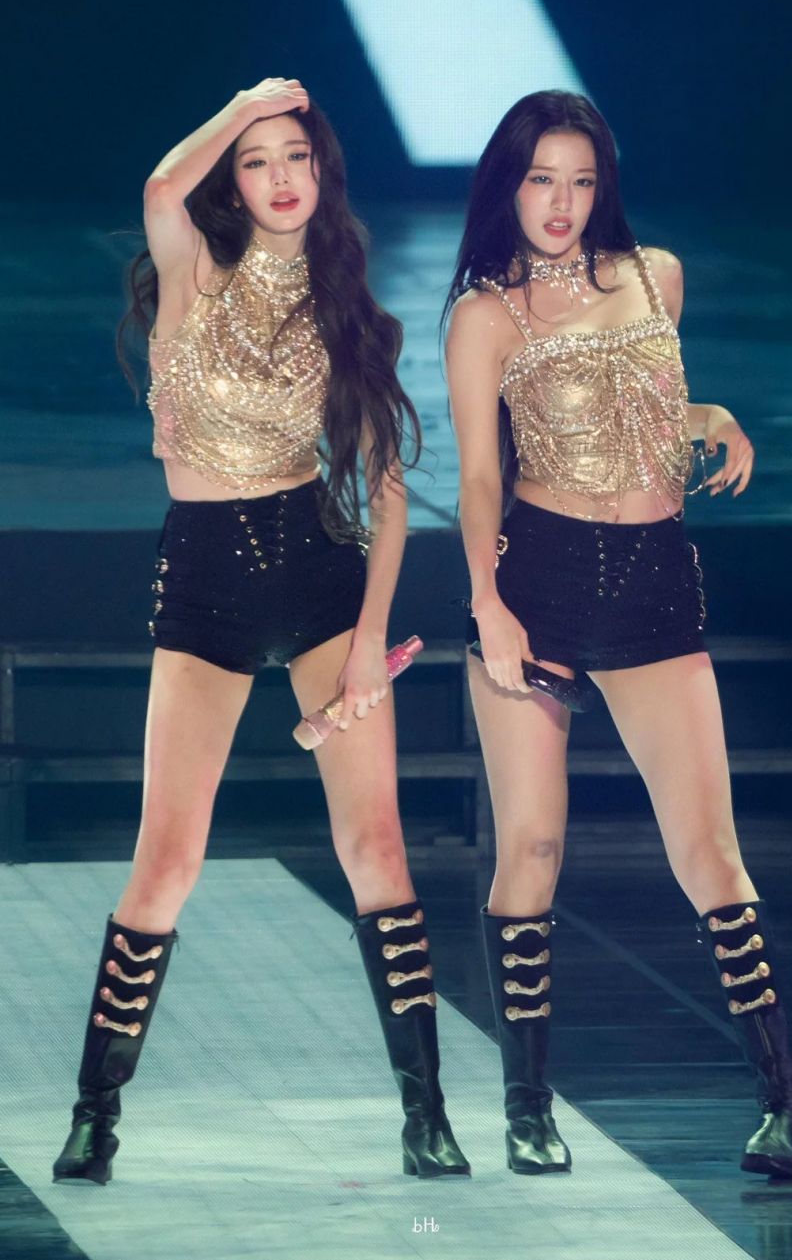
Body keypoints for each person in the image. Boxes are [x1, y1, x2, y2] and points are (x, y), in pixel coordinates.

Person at [53, 78, 469, 1185]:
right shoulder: (195, 275)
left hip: (321, 573)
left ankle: (427, 1115)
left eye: (297, 156)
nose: (282, 177)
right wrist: (240, 105)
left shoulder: (341, 306)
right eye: (257, 160)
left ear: (321, 173)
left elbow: (386, 492)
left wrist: (372, 644)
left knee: (377, 849)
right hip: (204, 581)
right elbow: (159, 187)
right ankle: (95, 1113)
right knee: (166, 860)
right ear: (231, 182)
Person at [444, 90, 792, 1178]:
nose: (560, 203)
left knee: (708, 849)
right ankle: (528, 1110)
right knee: (532, 848)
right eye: (540, 179)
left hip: (651, 584)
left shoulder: (657, 277)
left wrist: (708, 415)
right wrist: (488, 603)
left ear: (603, 186)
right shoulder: (485, 314)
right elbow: (477, 477)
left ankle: (781, 1106)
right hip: (537, 580)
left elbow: (630, 407)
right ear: (509, 185)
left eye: (580, 180)